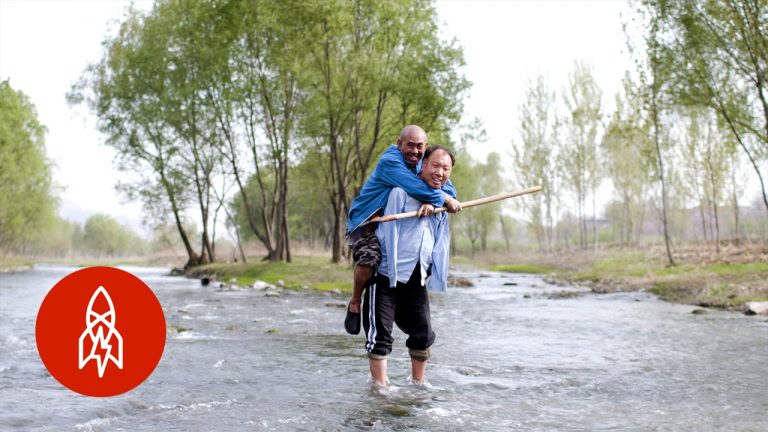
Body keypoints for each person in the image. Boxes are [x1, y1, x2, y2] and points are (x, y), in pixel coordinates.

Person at [344, 126, 461, 335]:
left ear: (425, 150)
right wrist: (441, 199)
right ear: (399, 144)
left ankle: (402, 316)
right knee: (370, 259)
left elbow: (448, 188)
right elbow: (418, 188)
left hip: (388, 227)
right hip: (366, 225)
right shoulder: (391, 162)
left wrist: (433, 202)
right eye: (409, 145)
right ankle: (355, 301)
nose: (414, 151)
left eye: (419, 147)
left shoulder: (420, 164)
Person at [362, 145, 455, 386]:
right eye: (435, 165)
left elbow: (447, 196)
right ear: (422, 165)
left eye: (446, 168)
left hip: (417, 274)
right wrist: (429, 198)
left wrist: (435, 204)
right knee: (380, 335)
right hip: (386, 274)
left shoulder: (443, 197)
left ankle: (418, 384)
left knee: (423, 333)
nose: (440, 172)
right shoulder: (399, 192)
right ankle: (380, 389)